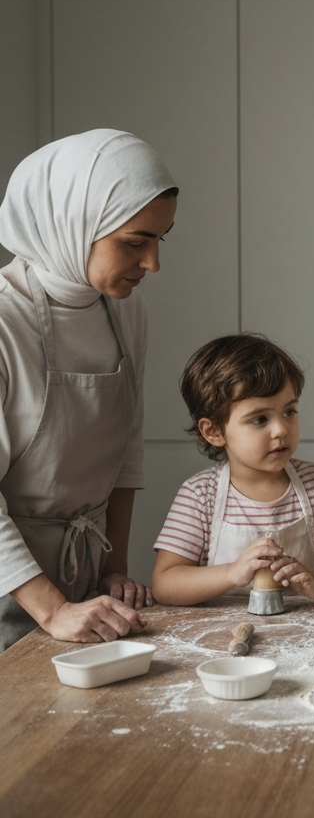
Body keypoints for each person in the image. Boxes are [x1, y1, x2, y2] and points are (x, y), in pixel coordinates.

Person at [0, 129, 177, 650]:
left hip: (81, 593)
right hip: (13, 589)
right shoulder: (5, 323)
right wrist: (52, 610)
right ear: (71, 222)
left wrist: (112, 570)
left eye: (159, 240)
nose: (153, 264)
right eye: (134, 242)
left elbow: (126, 453)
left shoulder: (124, 310)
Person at [152, 334, 314, 604]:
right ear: (213, 431)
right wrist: (232, 573)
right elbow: (165, 583)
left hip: (306, 635)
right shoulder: (200, 495)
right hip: (224, 639)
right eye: (260, 419)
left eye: (289, 412)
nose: (281, 430)